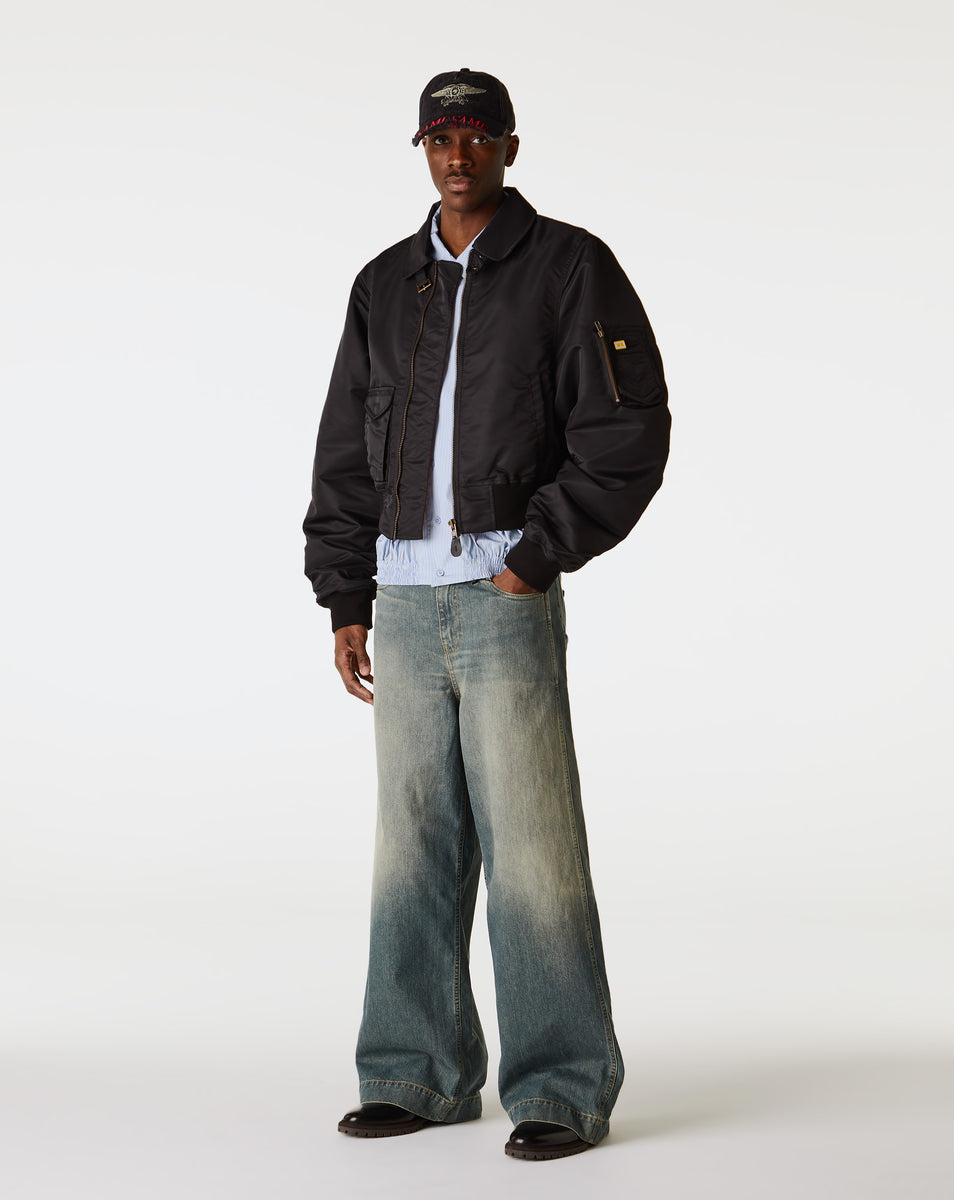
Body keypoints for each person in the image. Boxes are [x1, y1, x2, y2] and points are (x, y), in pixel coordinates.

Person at [303, 68, 670, 1161]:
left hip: (505, 597)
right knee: (410, 849)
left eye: (476, 135)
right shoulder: (385, 283)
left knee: (534, 849)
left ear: (510, 147)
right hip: (403, 602)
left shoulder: (569, 267)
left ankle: (560, 1086)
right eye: (439, 137)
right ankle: (413, 1073)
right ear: (421, 149)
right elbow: (345, 448)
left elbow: (627, 430)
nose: (456, 155)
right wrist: (345, 593)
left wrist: (534, 558)